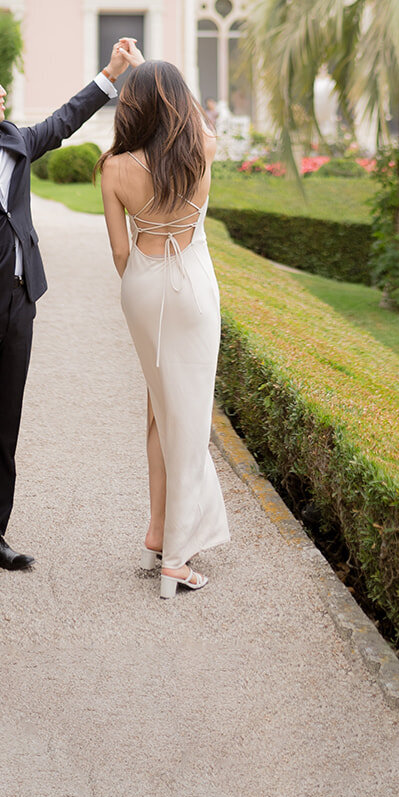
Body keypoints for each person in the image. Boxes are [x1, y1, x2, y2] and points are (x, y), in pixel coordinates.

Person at [0, 40, 136, 591]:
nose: (2, 89)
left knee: (3, 426)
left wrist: (110, 74)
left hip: (19, 304)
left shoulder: (13, 140)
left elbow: (62, 122)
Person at [99, 50, 230, 598]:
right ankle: (176, 558)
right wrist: (162, 75)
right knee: (190, 417)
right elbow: (195, 119)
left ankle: (159, 530)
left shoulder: (114, 167)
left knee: (159, 409)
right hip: (193, 288)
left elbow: (121, 255)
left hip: (144, 286)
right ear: (179, 104)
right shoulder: (203, 148)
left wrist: (141, 78)